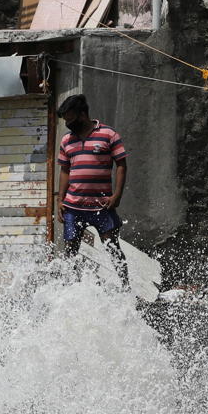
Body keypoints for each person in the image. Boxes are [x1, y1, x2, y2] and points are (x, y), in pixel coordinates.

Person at [55, 94, 129, 286]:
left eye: (70, 119)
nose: (68, 124)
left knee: (112, 248)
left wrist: (117, 195)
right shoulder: (66, 140)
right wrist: (60, 200)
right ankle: (70, 289)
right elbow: (65, 170)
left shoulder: (108, 134)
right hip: (73, 207)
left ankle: (125, 288)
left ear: (82, 114)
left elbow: (121, 165)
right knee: (70, 251)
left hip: (102, 206)